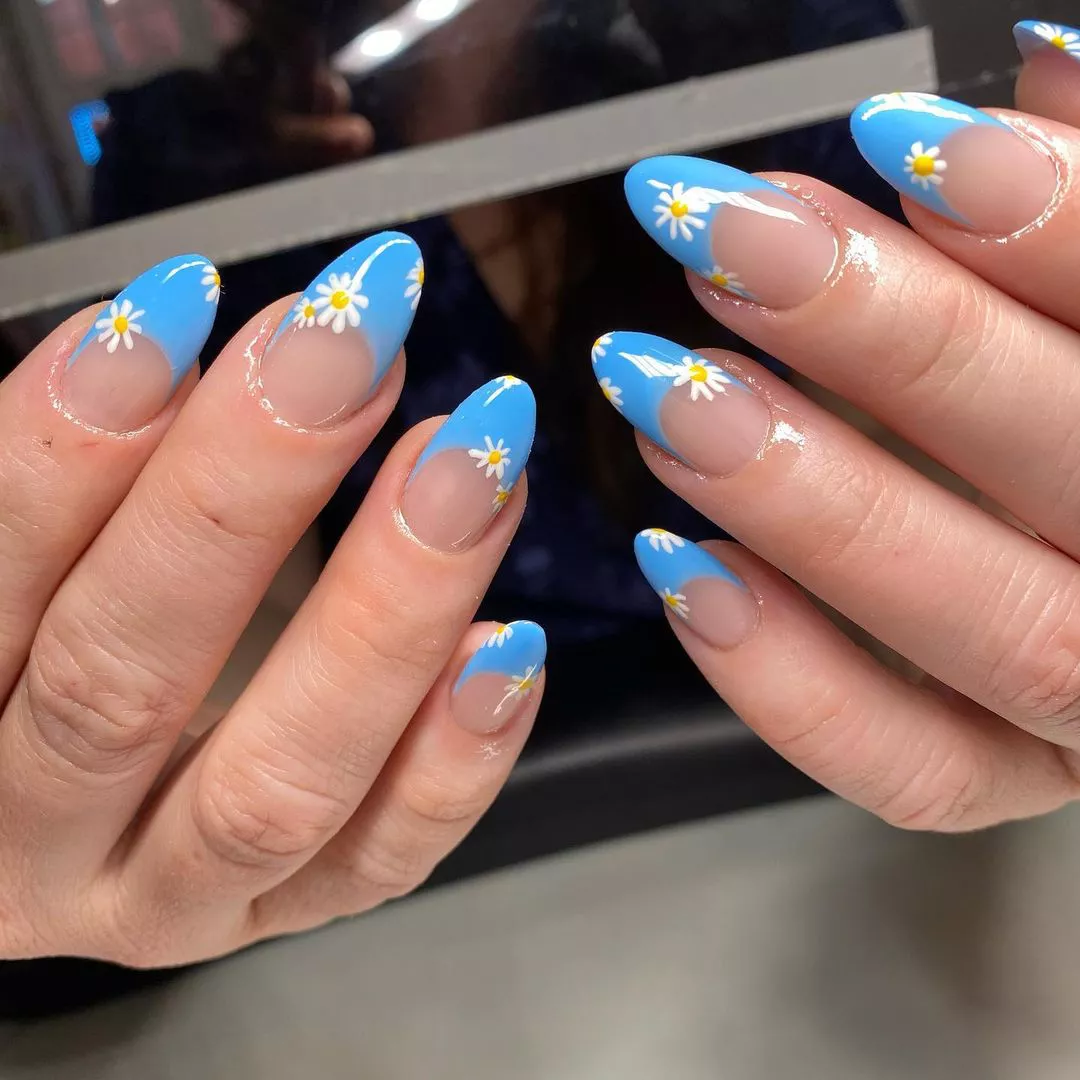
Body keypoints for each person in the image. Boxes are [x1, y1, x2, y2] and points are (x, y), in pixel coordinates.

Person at [2, 17, 1080, 967]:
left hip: (825, 861)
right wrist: (141, 751)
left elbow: (924, 447)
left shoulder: (786, 45)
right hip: (440, 895)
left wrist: (1001, 543)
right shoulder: (188, 141)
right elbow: (238, 595)